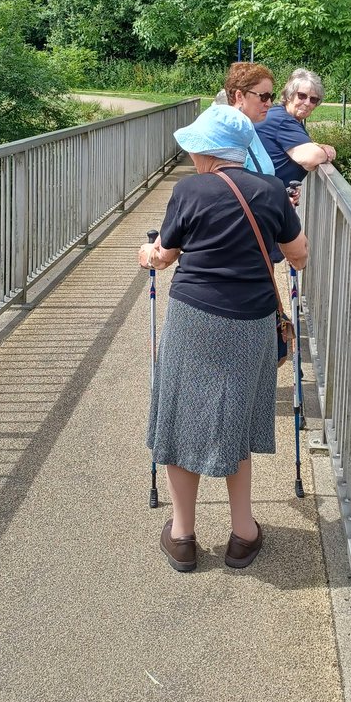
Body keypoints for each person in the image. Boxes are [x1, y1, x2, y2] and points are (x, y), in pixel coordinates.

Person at [138, 103, 308, 573]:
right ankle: (243, 534)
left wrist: (145, 254)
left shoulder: (189, 189)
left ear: (207, 151)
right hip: (250, 322)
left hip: (195, 318)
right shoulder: (272, 190)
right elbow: (299, 257)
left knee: (180, 420)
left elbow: (165, 256)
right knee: (234, 419)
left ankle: (182, 536)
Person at [255, 68, 337, 186]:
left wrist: (317, 146)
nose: (307, 103)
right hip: (262, 198)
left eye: (313, 99)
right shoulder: (283, 121)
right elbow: (311, 158)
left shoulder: (281, 114)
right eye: (302, 96)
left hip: (266, 194)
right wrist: (326, 153)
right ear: (289, 95)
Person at [219, 61, 276, 176]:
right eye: (264, 97)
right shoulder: (228, 134)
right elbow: (232, 187)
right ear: (239, 96)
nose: (269, 103)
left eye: (271, 96)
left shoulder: (247, 128)